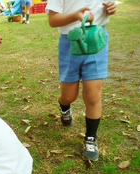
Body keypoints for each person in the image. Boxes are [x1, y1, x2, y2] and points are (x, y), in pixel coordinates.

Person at [46, 1, 116, 161]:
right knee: (69, 96)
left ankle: (90, 138)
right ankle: (64, 106)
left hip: (96, 37)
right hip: (71, 42)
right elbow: (52, 20)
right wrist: (74, 15)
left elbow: (109, 7)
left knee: (93, 94)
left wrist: (111, 8)